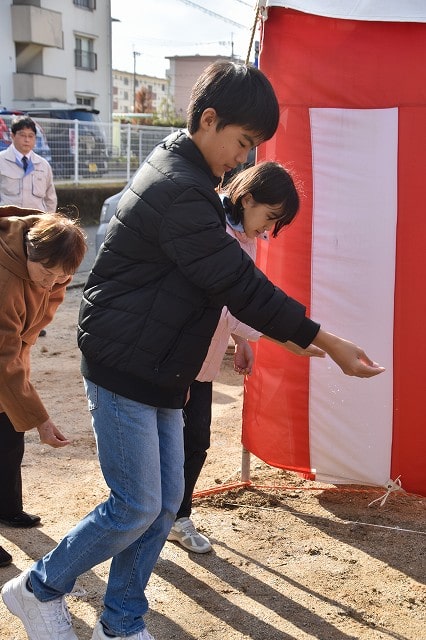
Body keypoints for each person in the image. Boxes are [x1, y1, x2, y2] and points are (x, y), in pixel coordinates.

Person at [1, 61, 384, 640]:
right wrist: (324, 339)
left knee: (163, 505)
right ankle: (39, 589)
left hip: (161, 366)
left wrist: (295, 337)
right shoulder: (181, 189)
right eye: (244, 142)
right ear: (209, 120)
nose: (243, 157)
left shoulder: (189, 175)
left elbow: (230, 290)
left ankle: (121, 622)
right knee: (135, 506)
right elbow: (239, 283)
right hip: (124, 363)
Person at [168, 160, 322, 553]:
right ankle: (149, 517)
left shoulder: (246, 235)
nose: (268, 230)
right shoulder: (210, 228)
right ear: (247, 198)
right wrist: (287, 337)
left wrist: (242, 341)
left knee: (195, 440)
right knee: (165, 441)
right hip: (173, 357)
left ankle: (176, 516)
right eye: (269, 218)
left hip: (202, 361)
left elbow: (239, 297)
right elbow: (215, 300)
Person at [0, 206, 86, 565]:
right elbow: (3, 357)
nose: (53, 282)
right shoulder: (4, 278)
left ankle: (7, 506)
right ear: (28, 253)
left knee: (7, 433)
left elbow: (43, 311)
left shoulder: (52, 264)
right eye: (46, 273)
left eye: (62, 276)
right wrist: (41, 418)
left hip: (8, 352)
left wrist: (24, 349)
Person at [0, 116, 57, 212]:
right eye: (22, 135)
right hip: (8, 223)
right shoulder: (1, 160)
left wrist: (48, 222)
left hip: (37, 223)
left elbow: (50, 199)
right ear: (12, 136)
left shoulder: (43, 165)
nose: (27, 140)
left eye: (31, 136)